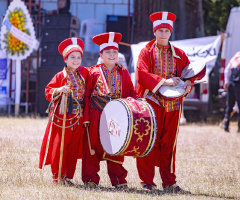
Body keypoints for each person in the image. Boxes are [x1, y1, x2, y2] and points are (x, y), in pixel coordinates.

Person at [135, 11, 201, 193]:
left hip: (173, 105)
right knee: (149, 141)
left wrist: (188, 85)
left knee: (169, 144)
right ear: (154, 32)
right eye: (160, 30)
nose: (163, 34)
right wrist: (164, 81)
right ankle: (147, 182)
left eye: (166, 30)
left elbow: (190, 74)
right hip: (152, 103)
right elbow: (141, 75)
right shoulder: (146, 52)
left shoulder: (179, 54)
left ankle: (169, 182)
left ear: (171, 32)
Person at [82, 32, 138, 189]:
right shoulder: (93, 72)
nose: (112, 55)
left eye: (114, 52)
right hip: (96, 112)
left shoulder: (123, 72)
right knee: (93, 146)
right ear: (101, 54)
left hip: (116, 114)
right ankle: (91, 179)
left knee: (116, 147)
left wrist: (137, 100)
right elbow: (86, 95)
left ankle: (119, 180)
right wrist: (86, 117)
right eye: (108, 52)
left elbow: (130, 92)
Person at [39, 37, 90, 186]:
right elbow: (48, 91)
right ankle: (57, 176)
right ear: (65, 59)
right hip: (63, 116)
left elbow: (96, 72)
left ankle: (68, 176)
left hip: (79, 116)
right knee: (60, 145)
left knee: (74, 147)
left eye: (79, 57)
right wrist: (59, 89)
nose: (76, 60)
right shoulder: (60, 76)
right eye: (72, 57)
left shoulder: (84, 73)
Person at [223, 50, 240, 133]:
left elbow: (226, 70)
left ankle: (226, 125)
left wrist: (226, 81)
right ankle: (239, 128)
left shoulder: (235, 57)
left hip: (231, 83)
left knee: (230, 105)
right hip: (238, 84)